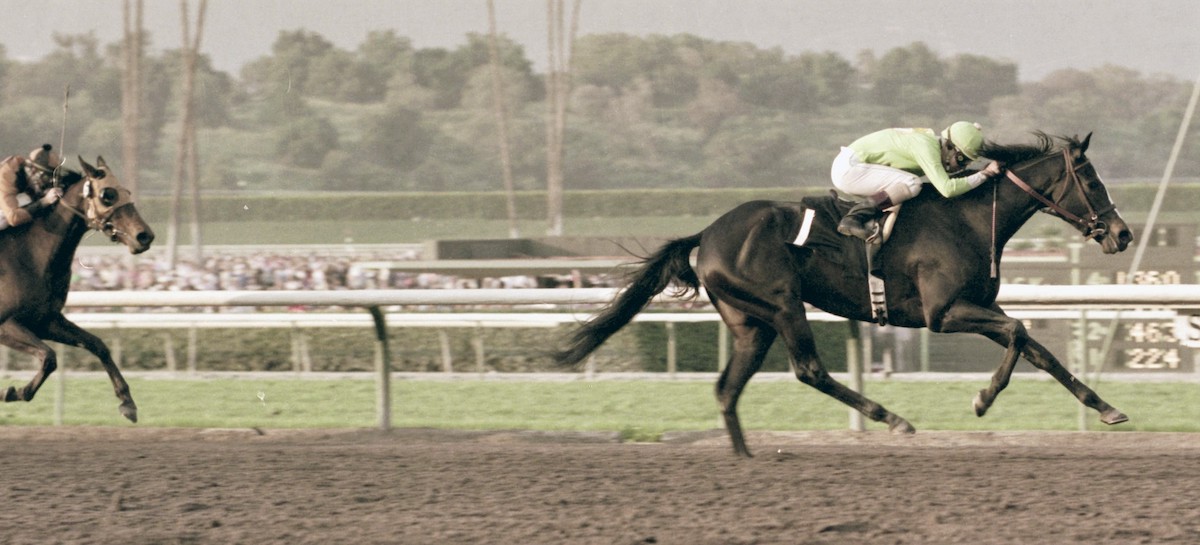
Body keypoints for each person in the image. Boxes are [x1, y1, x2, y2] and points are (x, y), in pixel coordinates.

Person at [830, 121, 1004, 241]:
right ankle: (853, 219)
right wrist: (985, 174)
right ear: (950, 148)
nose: (962, 167)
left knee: (905, 189)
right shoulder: (927, 147)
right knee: (912, 184)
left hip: (855, 167)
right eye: (961, 160)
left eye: (967, 163)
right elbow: (948, 189)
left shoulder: (931, 145)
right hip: (849, 169)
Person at [0, 144, 63, 229]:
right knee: (3, 218)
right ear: (33, 170)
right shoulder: (6, 177)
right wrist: (45, 201)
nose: (49, 182)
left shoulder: (24, 170)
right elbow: (13, 218)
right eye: (46, 177)